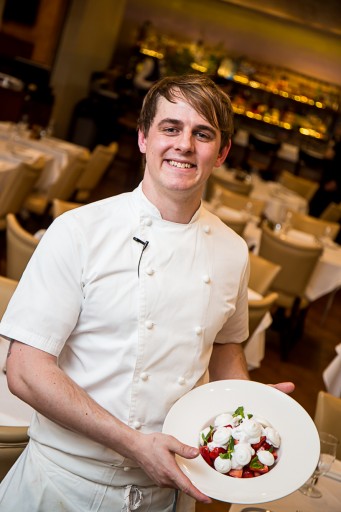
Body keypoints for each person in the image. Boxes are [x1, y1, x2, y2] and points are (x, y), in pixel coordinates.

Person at [0, 74, 294, 512]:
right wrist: (134, 444)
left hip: (167, 492)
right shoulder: (79, 231)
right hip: (62, 483)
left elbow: (226, 349)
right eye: (170, 128)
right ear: (143, 138)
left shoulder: (233, 251)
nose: (184, 145)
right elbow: (24, 370)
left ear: (223, 153)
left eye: (203, 134)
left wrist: (247, 412)